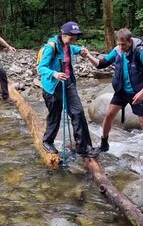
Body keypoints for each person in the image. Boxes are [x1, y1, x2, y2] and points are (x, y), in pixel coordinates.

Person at [82, 28, 143, 167]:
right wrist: (88, 55)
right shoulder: (118, 50)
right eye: (119, 44)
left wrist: (142, 93)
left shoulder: (140, 52)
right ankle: (104, 144)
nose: (121, 47)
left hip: (138, 92)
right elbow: (101, 64)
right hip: (121, 91)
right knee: (108, 116)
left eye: (123, 44)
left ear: (130, 41)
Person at [37, 21, 100, 158]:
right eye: (71, 36)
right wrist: (54, 73)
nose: (74, 39)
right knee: (55, 115)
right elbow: (41, 68)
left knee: (78, 113)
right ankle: (47, 141)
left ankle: (83, 147)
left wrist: (82, 51)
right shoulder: (51, 47)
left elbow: (75, 49)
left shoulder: (69, 46)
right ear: (63, 34)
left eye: (75, 37)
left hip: (68, 84)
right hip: (53, 87)